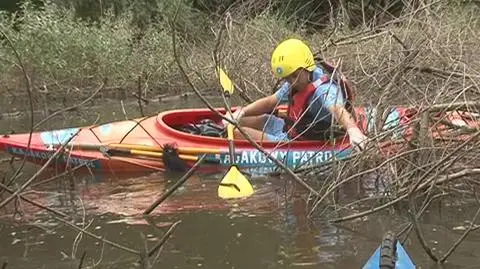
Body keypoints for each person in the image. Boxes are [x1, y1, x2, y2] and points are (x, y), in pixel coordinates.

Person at [222, 38, 368, 151]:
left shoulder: (324, 90)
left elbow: (337, 108)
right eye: (287, 78)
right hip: (289, 129)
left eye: (294, 76)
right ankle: (218, 128)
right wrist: (242, 112)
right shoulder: (302, 78)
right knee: (243, 121)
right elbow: (271, 102)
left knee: (237, 133)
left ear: (306, 67)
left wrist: (352, 130)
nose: (291, 82)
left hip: (296, 142)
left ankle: (221, 138)